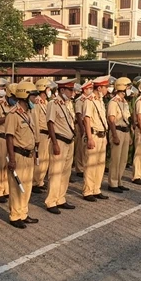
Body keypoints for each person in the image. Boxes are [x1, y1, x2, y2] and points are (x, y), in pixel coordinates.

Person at [6, 81, 40, 228]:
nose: (35, 99)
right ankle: (15, 216)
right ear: (25, 96)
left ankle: (23, 213)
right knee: (16, 187)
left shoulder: (28, 113)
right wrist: (12, 159)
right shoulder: (13, 114)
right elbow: (9, 137)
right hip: (18, 155)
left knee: (26, 186)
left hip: (29, 155)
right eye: (33, 96)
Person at [45, 79, 77, 214]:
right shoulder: (54, 103)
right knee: (56, 172)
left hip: (69, 141)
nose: (72, 93)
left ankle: (60, 198)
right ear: (62, 90)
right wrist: (55, 143)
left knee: (65, 172)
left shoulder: (67, 104)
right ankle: (51, 201)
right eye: (70, 90)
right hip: (59, 141)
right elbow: (50, 124)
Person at [82, 76, 110, 201]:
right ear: (99, 88)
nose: (107, 90)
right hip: (93, 135)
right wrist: (89, 138)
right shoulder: (89, 100)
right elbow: (86, 120)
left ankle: (96, 189)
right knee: (91, 164)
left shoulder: (100, 100)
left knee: (100, 164)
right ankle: (88, 191)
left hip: (102, 135)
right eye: (105, 87)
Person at [107, 77, 133, 193]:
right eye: (128, 87)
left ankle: (119, 181)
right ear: (122, 87)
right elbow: (111, 120)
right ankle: (112, 183)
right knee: (116, 159)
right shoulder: (114, 102)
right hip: (117, 131)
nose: (129, 89)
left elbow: (127, 119)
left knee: (123, 159)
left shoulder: (124, 102)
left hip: (125, 131)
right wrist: (114, 135)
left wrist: (130, 135)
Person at [32, 79, 55, 193]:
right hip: (40, 133)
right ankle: (35, 182)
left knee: (45, 159)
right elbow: (35, 121)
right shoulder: (37, 103)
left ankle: (40, 181)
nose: (50, 91)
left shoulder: (46, 102)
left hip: (47, 135)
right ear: (43, 89)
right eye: (48, 89)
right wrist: (36, 137)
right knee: (39, 159)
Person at [74, 80, 93, 178]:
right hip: (80, 125)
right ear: (85, 90)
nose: (91, 90)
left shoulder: (89, 100)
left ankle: (84, 166)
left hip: (87, 125)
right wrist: (82, 129)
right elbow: (78, 114)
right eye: (89, 88)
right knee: (80, 147)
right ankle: (79, 168)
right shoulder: (80, 100)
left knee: (84, 147)